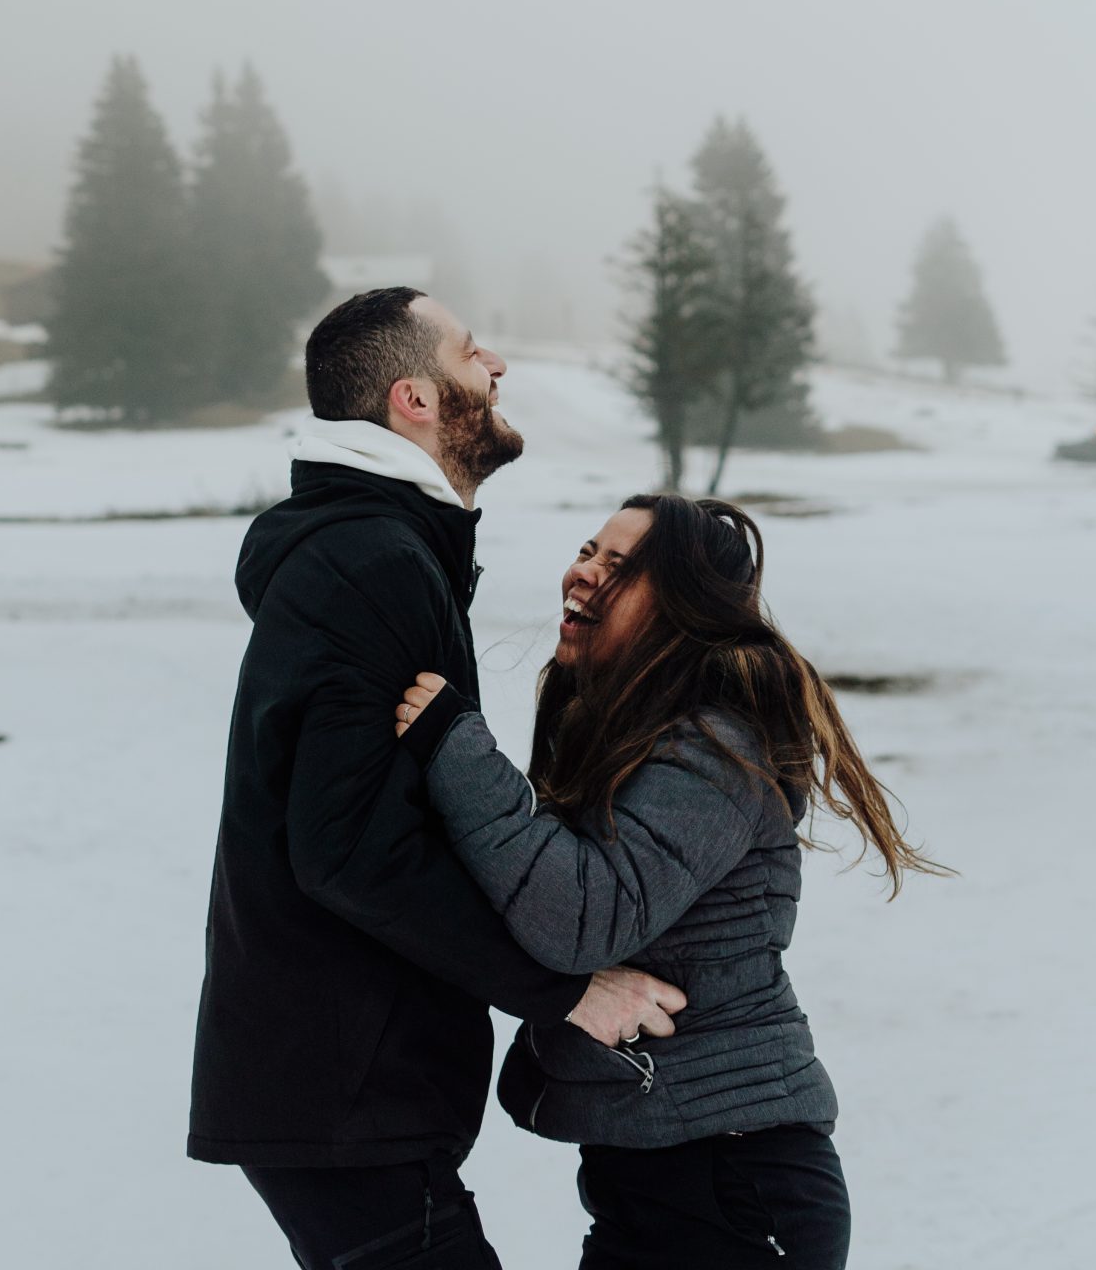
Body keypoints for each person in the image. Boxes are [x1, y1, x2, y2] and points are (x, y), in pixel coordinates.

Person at [188, 289, 686, 1270]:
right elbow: (348, 850)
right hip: (346, 1090)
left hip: (349, 1088)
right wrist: (564, 989)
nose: (494, 364)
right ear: (412, 398)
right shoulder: (371, 563)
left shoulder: (379, 549)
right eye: (469, 352)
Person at [396, 492, 945, 1268]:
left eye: (620, 566)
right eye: (587, 550)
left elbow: (580, 918)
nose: (583, 572)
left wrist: (457, 751)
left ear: (682, 607)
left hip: (734, 1184)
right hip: (659, 1177)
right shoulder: (638, 736)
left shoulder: (716, 751)